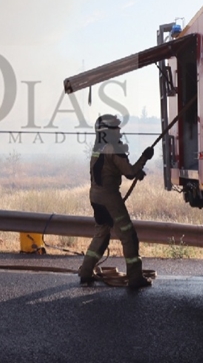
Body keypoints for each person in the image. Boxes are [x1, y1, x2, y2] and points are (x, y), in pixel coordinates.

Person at [78, 114, 154, 289]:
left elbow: (110, 169)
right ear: (108, 131)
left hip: (95, 197)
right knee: (129, 237)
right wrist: (145, 157)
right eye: (116, 128)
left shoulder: (98, 148)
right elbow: (129, 172)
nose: (119, 131)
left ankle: (86, 272)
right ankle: (135, 278)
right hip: (110, 198)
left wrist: (137, 172)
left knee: (101, 236)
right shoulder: (114, 147)